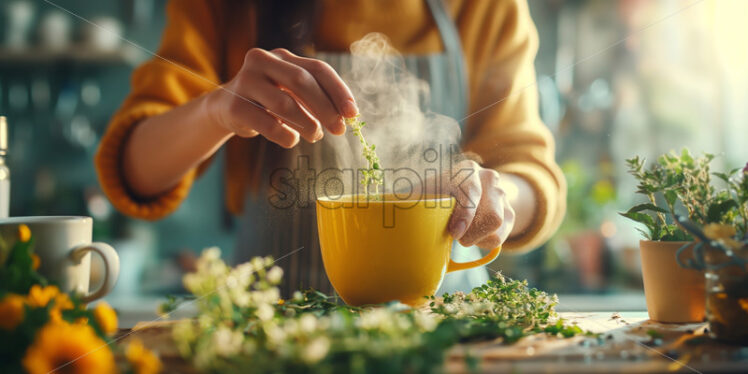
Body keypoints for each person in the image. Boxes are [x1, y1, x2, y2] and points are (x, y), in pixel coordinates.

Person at [95, 0, 566, 294]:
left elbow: (529, 172)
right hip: (268, 329)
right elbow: (136, 171)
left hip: (447, 322)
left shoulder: (485, 6)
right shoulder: (229, 7)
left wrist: (493, 196)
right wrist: (214, 110)